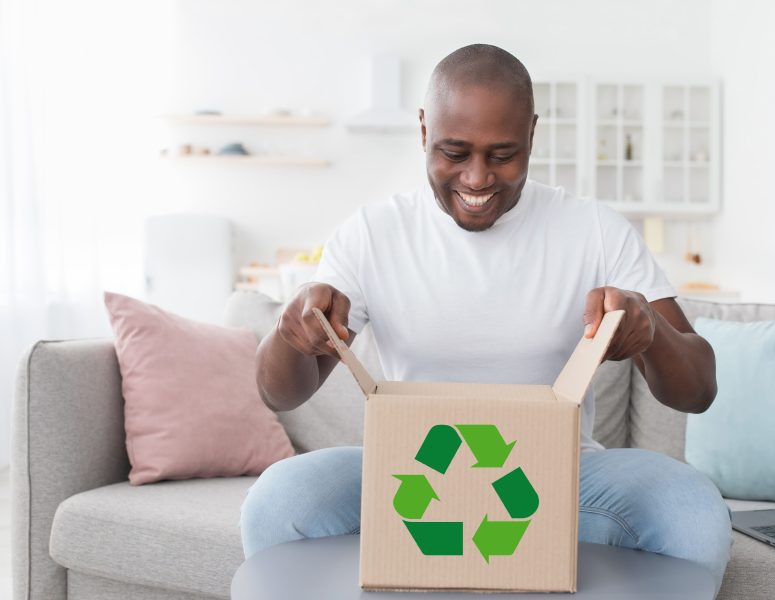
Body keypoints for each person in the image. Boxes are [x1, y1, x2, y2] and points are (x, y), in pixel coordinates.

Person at [241, 44, 732, 596]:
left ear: (533, 134)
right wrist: (292, 331)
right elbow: (279, 393)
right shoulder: (373, 234)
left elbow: (699, 390)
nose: (477, 179)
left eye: (503, 155)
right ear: (424, 130)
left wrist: (650, 331)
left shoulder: (595, 230)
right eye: (455, 151)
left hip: (562, 474)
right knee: (278, 501)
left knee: (693, 513)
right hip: (414, 472)